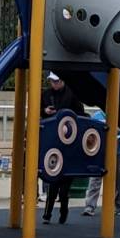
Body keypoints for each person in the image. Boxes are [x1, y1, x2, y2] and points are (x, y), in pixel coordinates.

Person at [40, 74, 75, 224]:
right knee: (53, 181)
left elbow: (80, 113)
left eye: (56, 81)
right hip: (52, 140)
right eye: (52, 81)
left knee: (65, 185)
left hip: (68, 141)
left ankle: (63, 212)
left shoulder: (71, 95)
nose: (54, 84)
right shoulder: (46, 94)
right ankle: (48, 214)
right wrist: (45, 111)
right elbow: (38, 111)